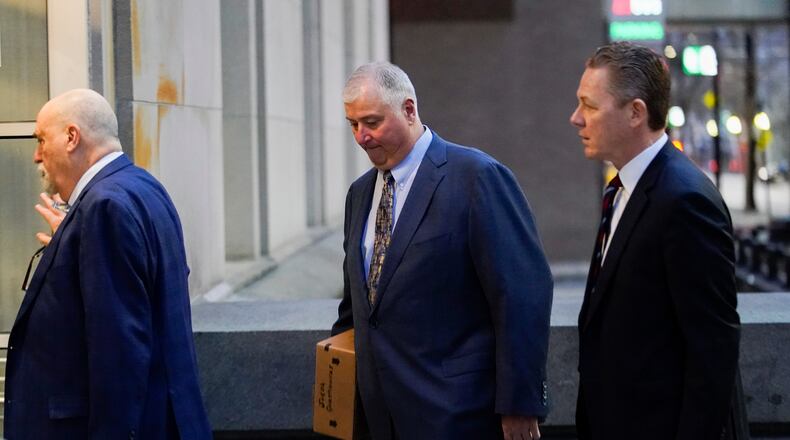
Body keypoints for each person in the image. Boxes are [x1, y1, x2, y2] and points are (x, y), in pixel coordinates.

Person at [331, 62, 553, 440]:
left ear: (409, 110)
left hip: (459, 415)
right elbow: (358, 309)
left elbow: (521, 295)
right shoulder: (359, 194)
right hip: (379, 418)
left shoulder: (477, 177)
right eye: (353, 124)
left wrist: (520, 403)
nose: (362, 137)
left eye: (371, 122)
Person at [5, 89, 212, 439]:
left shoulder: (104, 208)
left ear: (72, 137)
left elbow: (119, 352)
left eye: (42, 140)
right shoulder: (142, 186)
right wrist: (72, 240)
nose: (37, 156)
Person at [570, 42, 740, 439]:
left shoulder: (685, 201)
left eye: (590, 106)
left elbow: (712, 350)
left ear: (635, 113)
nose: (576, 118)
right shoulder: (624, 188)